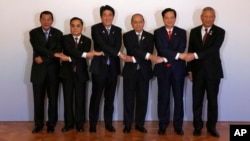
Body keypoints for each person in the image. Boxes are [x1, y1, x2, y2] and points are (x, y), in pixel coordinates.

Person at [185, 7, 225, 137]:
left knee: (212, 101)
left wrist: (195, 55)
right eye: (205, 16)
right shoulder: (194, 31)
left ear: (214, 17)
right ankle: (197, 127)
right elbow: (190, 49)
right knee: (197, 101)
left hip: (213, 72)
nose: (208, 19)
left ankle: (211, 127)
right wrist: (189, 70)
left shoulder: (220, 32)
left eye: (211, 16)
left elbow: (213, 49)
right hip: (197, 72)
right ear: (201, 17)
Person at [58, 17, 102, 133]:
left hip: (81, 74)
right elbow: (72, 51)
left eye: (78, 25)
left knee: (80, 100)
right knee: (67, 100)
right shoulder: (64, 39)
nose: (75, 28)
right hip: (66, 74)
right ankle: (68, 124)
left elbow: (78, 56)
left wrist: (68, 58)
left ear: (82, 27)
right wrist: (85, 55)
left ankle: (79, 124)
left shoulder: (87, 40)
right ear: (70, 27)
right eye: (73, 25)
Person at [122, 14, 163, 133]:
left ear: (144, 22)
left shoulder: (150, 36)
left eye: (140, 22)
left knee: (142, 99)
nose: (138, 24)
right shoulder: (127, 36)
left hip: (144, 72)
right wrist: (147, 56)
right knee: (128, 99)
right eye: (135, 22)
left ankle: (140, 124)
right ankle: (128, 124)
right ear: (131, 24)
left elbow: (149, 52)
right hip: (130, 72)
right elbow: (133, 49)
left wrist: (134, 59)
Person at [88, 5, 127, 133]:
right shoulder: (95, 28)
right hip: (99, 69)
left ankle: (108, 123)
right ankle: (93, 124)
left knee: (110, 98)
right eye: (105, 15)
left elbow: (116, 45)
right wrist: (119, 54)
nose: (107, 17)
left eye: (110, 15)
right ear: (101, 16)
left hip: (113, 69)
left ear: (113, 16)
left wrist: (109, 51)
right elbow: (101, 44)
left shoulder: (117, 30)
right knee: (96, 97)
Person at [154, 8, 187, 135]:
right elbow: (161, 49)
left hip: (178, 70)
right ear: (163, 19)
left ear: (175, 18)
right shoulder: (157, 32)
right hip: (163, 70)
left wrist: (171, 56)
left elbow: (182, 47)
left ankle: (178, 126)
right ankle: (163, 125)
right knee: (163, 98)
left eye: (172, 17)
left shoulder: (182, 32)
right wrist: (178, 56)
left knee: (178, 98)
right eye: (167, 17)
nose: (169, 20)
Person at [29, 10, 63, 133]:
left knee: (53, 100)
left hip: (53, 72)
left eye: (49, 19)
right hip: (38, 73)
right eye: (44, 19)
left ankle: (51, 124)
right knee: (38, 100)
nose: (46, 21)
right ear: (40, 20)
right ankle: (38, 124)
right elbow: (37, 47)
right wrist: (53, 54)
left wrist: (43, 58)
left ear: (52, 21)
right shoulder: (33, 33)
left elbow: (59, 50)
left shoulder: (59, 33)